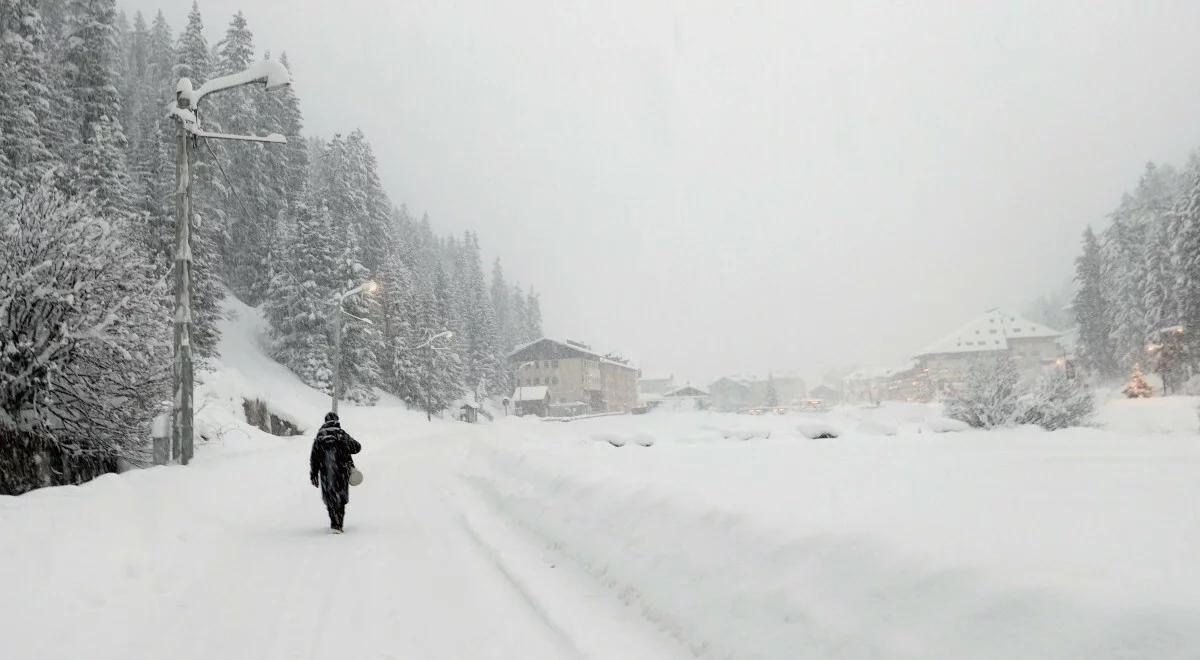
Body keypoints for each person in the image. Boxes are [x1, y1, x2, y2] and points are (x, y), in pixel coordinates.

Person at [309, 412, 361, 533]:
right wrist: (344, 443)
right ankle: (339, 524)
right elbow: (357, 447)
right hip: (342, 472)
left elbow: (314, 458)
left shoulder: (320, 437)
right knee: (340, 498)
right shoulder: (341, 434)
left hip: (326, 473)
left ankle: (334, 522)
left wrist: (313, 475)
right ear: (337, 421)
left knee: (330, 498)